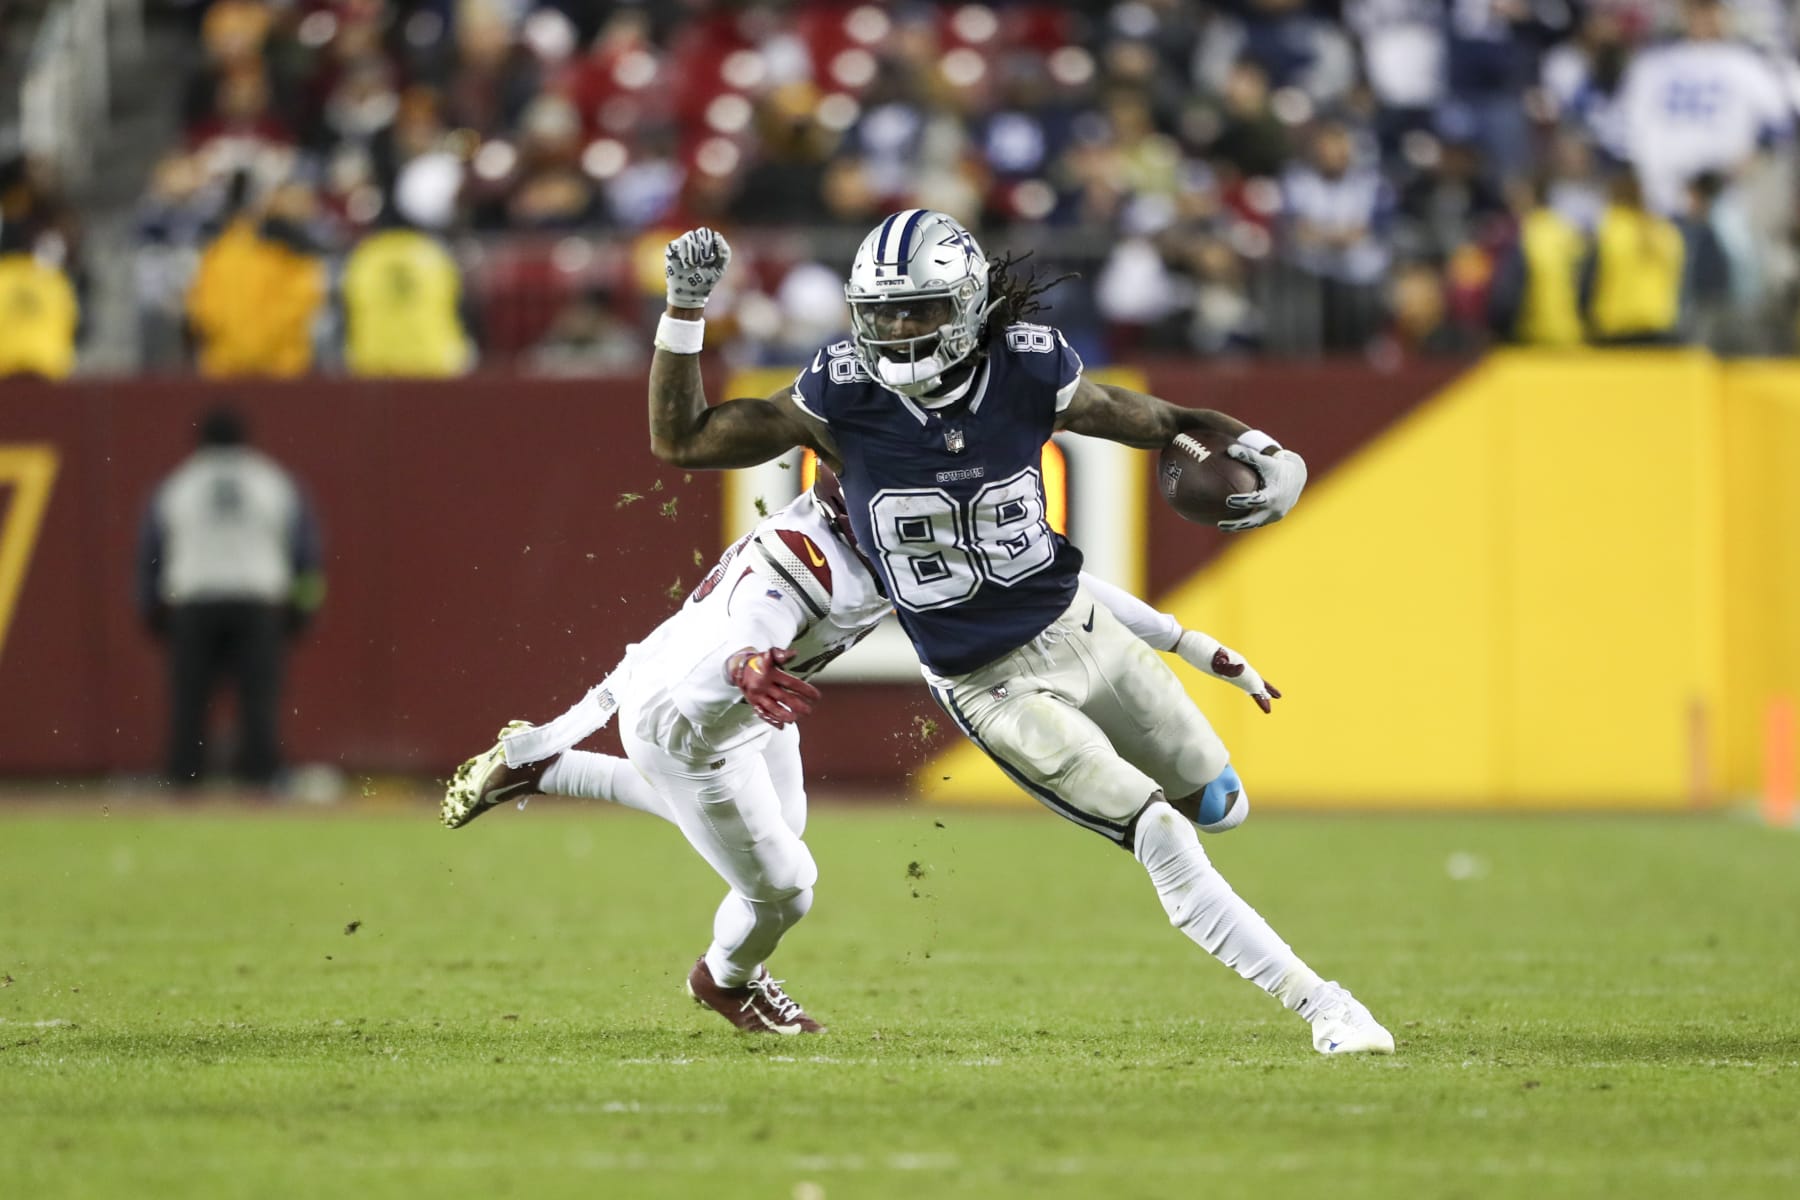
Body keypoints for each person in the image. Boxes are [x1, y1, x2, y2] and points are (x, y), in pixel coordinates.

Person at [638, 212, 1394, 1055]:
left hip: (1083, 629)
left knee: (1220, 806)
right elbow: (683, 440)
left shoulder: (1028, 368)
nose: (898, 331)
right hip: (987, 681)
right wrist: (685, 310)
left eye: (919, 310)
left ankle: (1285, 947)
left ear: (965, 305)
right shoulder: (841, 394)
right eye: (883, 313)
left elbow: (1164, 420)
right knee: (1160, 833)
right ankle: (1324, 1006)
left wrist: (1260, 449)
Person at [443, 466, 1281, 1035]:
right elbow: (754, 617)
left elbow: (1053, 584)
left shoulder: (886, 536)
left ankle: (547, 768)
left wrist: (1183, 640)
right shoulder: (805, 558)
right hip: (694, 722)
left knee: (781, 834)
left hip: (748, 708)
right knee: (786, 889)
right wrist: (747, 662)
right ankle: (726, 982)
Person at [136, 407, 325, 788]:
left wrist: (150, 609)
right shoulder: (272, 480)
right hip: (258, 601)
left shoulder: (179, 483)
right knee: (259, 698)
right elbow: (305, 551)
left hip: (193, 600)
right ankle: (262, 777)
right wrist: (303, 610)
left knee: (190, 699)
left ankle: (184, 777)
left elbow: (151, 550)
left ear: (200, 440)